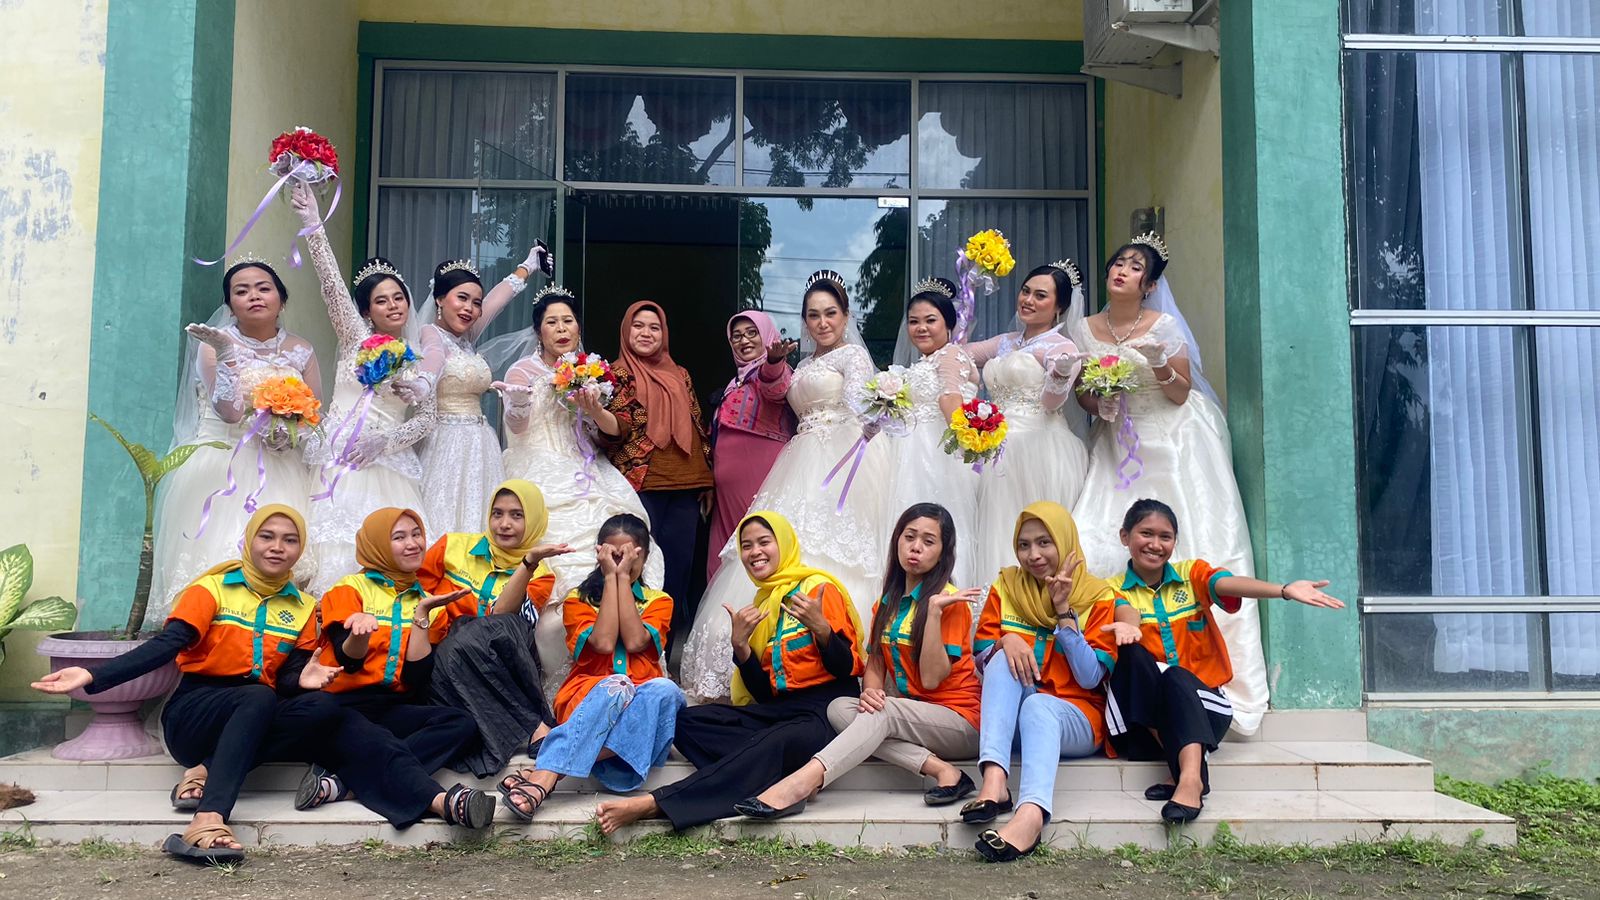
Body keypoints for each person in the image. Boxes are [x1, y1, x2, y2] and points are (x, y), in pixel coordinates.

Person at [32, 506, 343, 863]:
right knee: (258, 696)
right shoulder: (211, 589)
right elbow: (167, 645)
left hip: (253, 715)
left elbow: (285, 680)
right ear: (249, 540)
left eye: (290, 540)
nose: (277, 547)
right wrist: (94, 675)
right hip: (194, 714)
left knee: (323, 707)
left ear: (299, 549)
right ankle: (207, 818)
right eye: (267, 536)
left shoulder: (303, 607)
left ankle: (205, 769)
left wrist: (301, 680)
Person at [1068, 233, 1271, 734]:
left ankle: (1194, 664)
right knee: (1092, 534)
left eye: (1135, 266)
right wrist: (1099, 402)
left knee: (1185, 533)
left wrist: (1158, 362)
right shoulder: (1084, 328)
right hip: (1115, 443)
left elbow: (1180, 393)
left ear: (1149, 284)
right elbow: (1082, 393)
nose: (1122, 270)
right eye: (1118, 263)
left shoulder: (1163, 324)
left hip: (1173, 440)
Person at [682, 271, 890, 701]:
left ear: (846, 315)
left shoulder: (852, 356)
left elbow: (860, 402)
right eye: (813, 315)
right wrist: (775, 364)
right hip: (800, 456)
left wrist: (878, 411)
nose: (822, 322)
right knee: (782, 541)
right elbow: (777, 393)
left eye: (830, 313)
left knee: (833, 548)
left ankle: (829, 647)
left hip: (841, 458)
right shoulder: (804, 365)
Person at [594, 511, 865, 834]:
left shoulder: (817, 589)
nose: (755, 552)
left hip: (824, 712)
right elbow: (765, 695)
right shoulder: (763, 602)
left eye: (764, 542)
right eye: (747, 545)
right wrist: (741, 646)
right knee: (686, 722)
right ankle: (776, 777)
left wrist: (822, 629)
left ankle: (657, 803)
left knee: (772, 742)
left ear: (784, 544)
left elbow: (847, 670)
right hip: (781, 712)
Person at [733, 503, 984, 819]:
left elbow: (932, 679)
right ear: (897, 540)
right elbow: (876, 659)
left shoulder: (949, 602)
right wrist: (871, 692)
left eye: (928, 541)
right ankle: (943, 770)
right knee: (840, 708)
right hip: (915, 717)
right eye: (909, 537)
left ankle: (802, 783)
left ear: (943, 552)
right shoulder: (887, 603)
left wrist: (933, 613)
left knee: (883, 712)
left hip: (960, 721)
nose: (916, 547)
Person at [1103, 498, 1345, 824]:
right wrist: (1129, 626)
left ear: (1174, 541)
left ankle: (1190, 780)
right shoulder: (1110, 589)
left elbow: (1226, 584)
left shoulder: (1191, 575)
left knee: (1176, 676)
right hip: (1142, 727)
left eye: (1165, 536)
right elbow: (1125, 610)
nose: (1156, 544)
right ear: (1125, 536)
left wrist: (1284, 590)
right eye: (1146, 533)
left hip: (1204, 712)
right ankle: (1187, 766)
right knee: (1131, 653)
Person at [493, 286, 664, 690]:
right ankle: (570, 660)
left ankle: (628, 640)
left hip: (587, 466)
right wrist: (518, 402)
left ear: (578, 327)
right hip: (539, 466)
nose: (561, 329)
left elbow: (611, 430)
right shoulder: (522, 372)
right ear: (538, 331)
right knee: (559, 555)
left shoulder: (590, 368)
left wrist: (594, 408)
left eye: (567, 321)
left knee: (625, 529)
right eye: (551, 322)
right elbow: (517, 427)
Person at [287, 507, 495, 830]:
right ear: (378, 546)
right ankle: (444, 803)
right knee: (378, 741)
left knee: (461, 723)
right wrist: (358, 634)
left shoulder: (430, 603)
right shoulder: (349, 588)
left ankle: (345, 783)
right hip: (338, 704)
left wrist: (422, 616)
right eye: (399, 537)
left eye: (416, 534)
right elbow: (348, 661)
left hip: (388, 705)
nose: (412, 544)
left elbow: (414, 679)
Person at [148, 259, 319, 621]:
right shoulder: (214, 344)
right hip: (223, 464)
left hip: (282, 466)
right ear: (230, 304)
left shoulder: (302, 349)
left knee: (282, 560)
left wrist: (289, 433)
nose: (254, 296)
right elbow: (228, 411)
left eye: (263, 288)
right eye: (241, 291)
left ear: (281, 299)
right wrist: (226, 354)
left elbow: (314, 414)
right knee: (222, 558)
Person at [291, 182, 436, 594]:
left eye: (398, 297)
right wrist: (314, 226)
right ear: (366, 311)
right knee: (336, 547)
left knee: (395, 547)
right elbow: (332, 285)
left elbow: (428, 418)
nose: (393, 305)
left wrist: (386, 441)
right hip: (341, 456)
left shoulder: (420, 359)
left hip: (388, 462)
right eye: (381, 300)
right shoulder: (356, 338)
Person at [494, 514, 685, 820]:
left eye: (629, 555)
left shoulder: (659, 600)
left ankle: (544, 771)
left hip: (641, 711)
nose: (621, 562)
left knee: (666, 690)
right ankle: (546, 777)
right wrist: (611, 579)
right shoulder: (577, 600)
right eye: (614, 555)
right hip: (589, 698)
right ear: (600, 554)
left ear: (645, 556)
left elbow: (636, 641)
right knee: (619, 685)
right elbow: (604, 643)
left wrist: (622, 580)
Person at [960, 501, 1120, 862]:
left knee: (1038, 705)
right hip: (1017, 717)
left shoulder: (1098, 596)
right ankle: (995, 782)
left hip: (1077, 718)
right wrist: (1006, 640)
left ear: (1065, 541)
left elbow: (1090, 677)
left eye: (1044, 542)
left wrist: (1063, 611)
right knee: (1003, 659)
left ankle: (1031, 816)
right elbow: (981, 656)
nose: (1033, 555)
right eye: (1024, 544)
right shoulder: (1007, 587)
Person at [417, 479, 575, 775]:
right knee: (458, 641)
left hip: (498, 658)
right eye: (497, 513)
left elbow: (502, 617)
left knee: (487, 630)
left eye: (517, 515)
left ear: (533, 519)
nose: (504, 524)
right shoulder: (452, 546)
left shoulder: (541, 572)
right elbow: (415, 592)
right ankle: (535, 725)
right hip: (444, 658)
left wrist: (527, 563)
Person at [965, 261, 1090, 583]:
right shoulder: (1006, 342)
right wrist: (967, 299)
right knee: (998, 525)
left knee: (1034, 529)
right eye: (1025, 291)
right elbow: (961, 354)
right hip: (996, 448)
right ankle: (999, 597)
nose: (1028, 300)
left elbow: (1052, 402)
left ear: (1059, 307)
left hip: (1038, 448)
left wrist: (1060, 375)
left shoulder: (1062, 347)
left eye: (1040, 295)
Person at [414, 247, 549, 535]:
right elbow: (433, 356)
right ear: (439, 299)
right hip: (446, 441)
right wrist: (423, 381)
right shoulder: (430, 333)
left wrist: (527, 267)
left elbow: (498, 299)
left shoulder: (467, 337)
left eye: (476, 303)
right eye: (462, 298)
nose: (470, 309)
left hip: (481, 443)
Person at [606, 300, 713, 648]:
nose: (646, 333)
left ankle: (663, 652)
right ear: (626, 330)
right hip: (639, 484)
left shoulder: (680, 374)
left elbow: (697, 425)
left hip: (686, 487)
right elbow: (616, 429)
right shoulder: (614, 374)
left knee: (678, 572)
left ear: (664, 334)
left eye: (654, 327)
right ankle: (633, 649)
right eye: (638, 326)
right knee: (638, 567)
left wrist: (707, 478)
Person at [882, 278, 982, 587]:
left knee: (936, 525)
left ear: (948, 324)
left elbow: (950, 398)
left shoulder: (951, 354)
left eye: (930, 320)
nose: (921, 328)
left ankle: (944, 594)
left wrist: (969, 443)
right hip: (910, 450)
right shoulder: (923, 362)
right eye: (914, 321)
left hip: (938, 453)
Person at [706, 310, 796, 580]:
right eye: (736, 336)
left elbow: (775, 387)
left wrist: (774, 361)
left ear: (766, 336)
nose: (744, 340)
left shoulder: (772, 370)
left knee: (755, 543)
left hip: (758, 477)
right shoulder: (735, 381)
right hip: (725, 489)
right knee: (722, 554)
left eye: (752, 333)